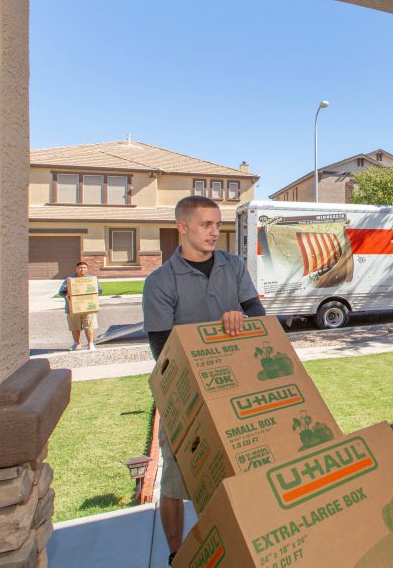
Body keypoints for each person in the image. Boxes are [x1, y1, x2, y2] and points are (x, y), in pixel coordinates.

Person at [143, 195, 266, 565]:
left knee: (235, 470)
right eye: (206, 225)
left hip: (235, 386)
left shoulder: (234, 265)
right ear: (183, 227)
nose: (215, 232)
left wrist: (242, 321)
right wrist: (215, 336)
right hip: (184, 394)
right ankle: (177, 554)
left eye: (218, 224)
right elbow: (162, 348)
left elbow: (256, 314)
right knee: (177, 481)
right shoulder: (160, 281)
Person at [59, 261, 102, 350]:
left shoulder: (92, 279)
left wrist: (93, 297)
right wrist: (66, 296)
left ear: (87, 269)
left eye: (84, 268)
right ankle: (76, 344)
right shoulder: (69, 279)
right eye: (80, 268)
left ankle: (90, 344)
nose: (82, 269)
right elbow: (61, 292)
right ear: (76, 269)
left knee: (89, 326)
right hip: (73, 307)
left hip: (88, 307)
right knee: (75, 327)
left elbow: (99, 290)